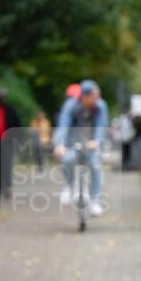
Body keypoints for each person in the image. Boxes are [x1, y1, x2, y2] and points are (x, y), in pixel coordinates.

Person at [55, 80, 109, 216]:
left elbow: (101, 126)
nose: (97, 99)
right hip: (74, 141)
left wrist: (97, 141)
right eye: (94, 96)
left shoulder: (100, 106)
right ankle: (68, 185)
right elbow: (63, 126)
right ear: (84, 96)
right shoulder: (71, 105)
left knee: (95, 165)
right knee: (67, 160)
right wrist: (59, 144)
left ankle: (95, 201)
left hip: (91, 142)